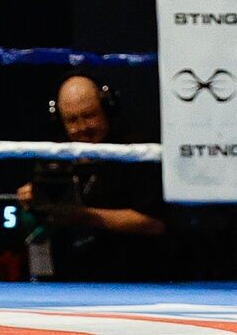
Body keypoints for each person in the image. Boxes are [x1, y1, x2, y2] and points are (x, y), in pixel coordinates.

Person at [16, 75, 167, 281]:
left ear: (107, 108)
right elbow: (39, 227)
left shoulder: (136, 152)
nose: (82, 127)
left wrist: (84, 216)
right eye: (72, 119)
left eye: (89, 116)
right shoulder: (54, 156)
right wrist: (33, 203)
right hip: (71, 280)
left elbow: (155, 223)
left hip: (135, 278)